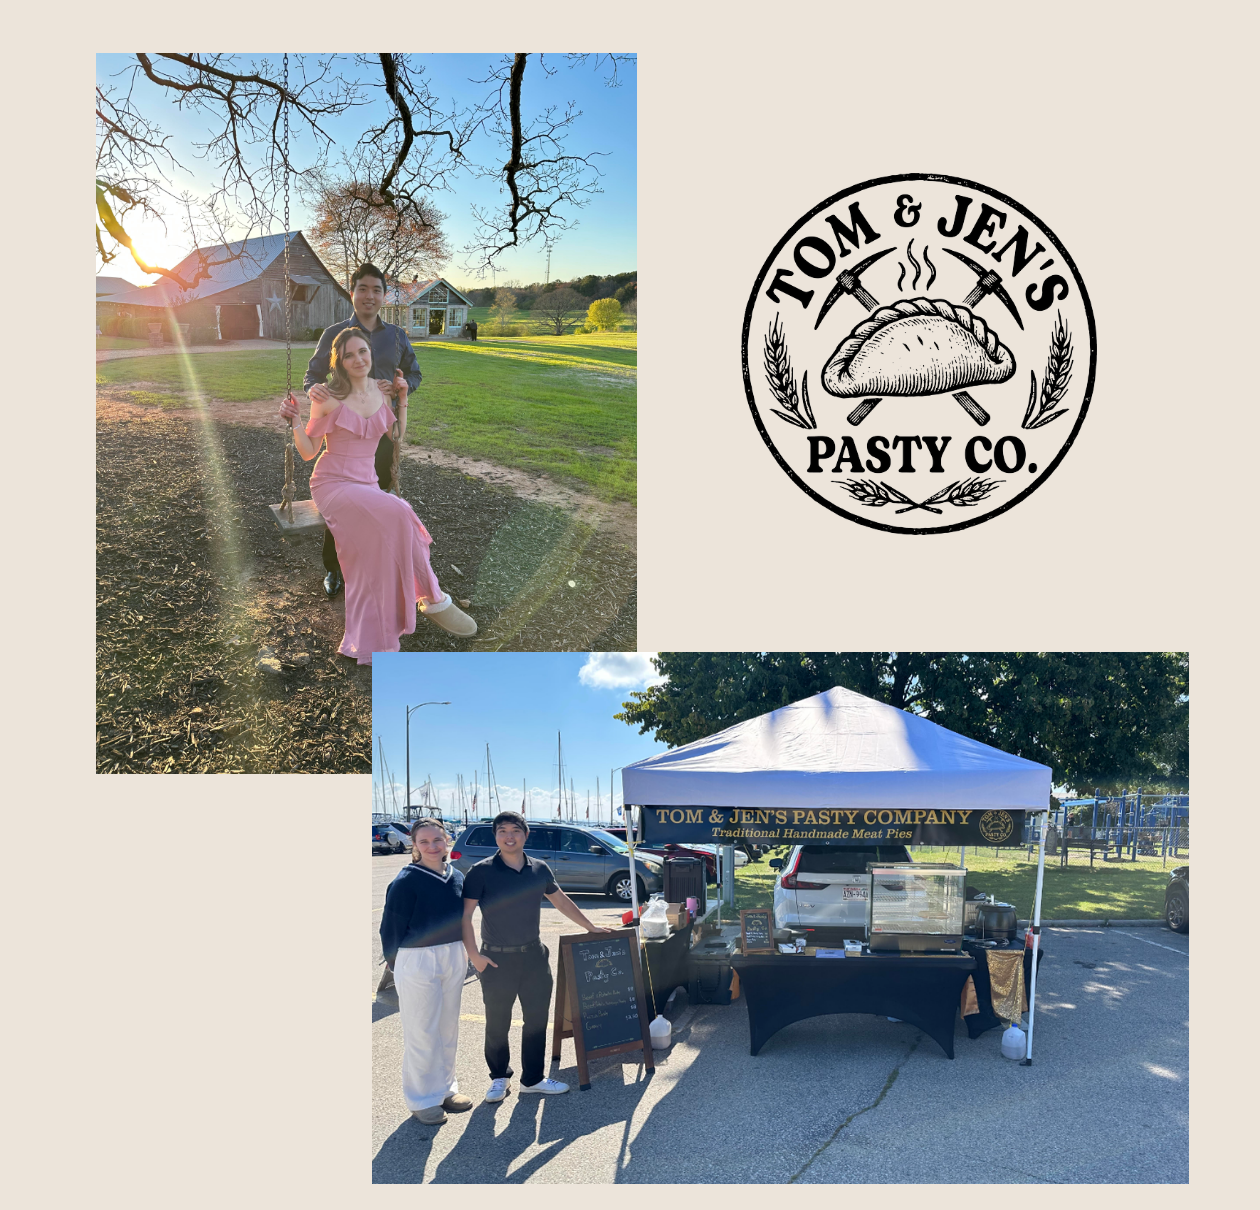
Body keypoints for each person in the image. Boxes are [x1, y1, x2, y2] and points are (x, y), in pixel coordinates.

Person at [279, 328, 477, 659]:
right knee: (401, 512)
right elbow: (309, 451)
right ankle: (433, 599)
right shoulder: (327, 397)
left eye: (363, 351)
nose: (358, 359)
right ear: (339, 362)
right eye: (349, 355)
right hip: (332, 484)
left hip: (367, 483)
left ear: (371, 354)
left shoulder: (381, 393)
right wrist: (296, 421)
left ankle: (404, 612)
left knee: (388, 539)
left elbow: (395, 435)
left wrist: (402, 397)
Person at [462, 812, 611, 1102]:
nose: (509, 836)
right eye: (502, 831)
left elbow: (561, 901)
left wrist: (590, 926)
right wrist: (474, 956)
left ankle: (532, 1079)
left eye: (515, 830)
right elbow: (465, 916)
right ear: (495, 836)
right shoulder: (480, 871)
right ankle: (499, 1077)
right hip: (496, 960)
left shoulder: (539, 869)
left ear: (525, 834)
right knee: (497, 1023)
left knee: (536, 1021)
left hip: (534, 957)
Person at [303, 264, 420, 599]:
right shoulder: (335, 333)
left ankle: (369, 564)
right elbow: (313, 375)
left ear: (384, 295)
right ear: (352, 292)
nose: (370, 296)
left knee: (376, 501)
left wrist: (400, 388)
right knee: (344, 503)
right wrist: (315, 391)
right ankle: (334, 568)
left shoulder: (396, 336)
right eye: (363, 289)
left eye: (376, 290)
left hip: (381, 432)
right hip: (346, 431)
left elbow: (413, 373)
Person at [380, 820, 473, 1126]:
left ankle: (445, 1089)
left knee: (447, 1028)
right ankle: (422, 1099)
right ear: (414, 845)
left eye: (438, 840)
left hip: (453, 953)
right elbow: (390, 927)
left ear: (447, 840)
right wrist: (395, 963)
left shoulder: (456, 876)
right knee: (421, 1031)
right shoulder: (406, 881)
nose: (432, 846)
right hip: (417, 957)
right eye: (424, 841)